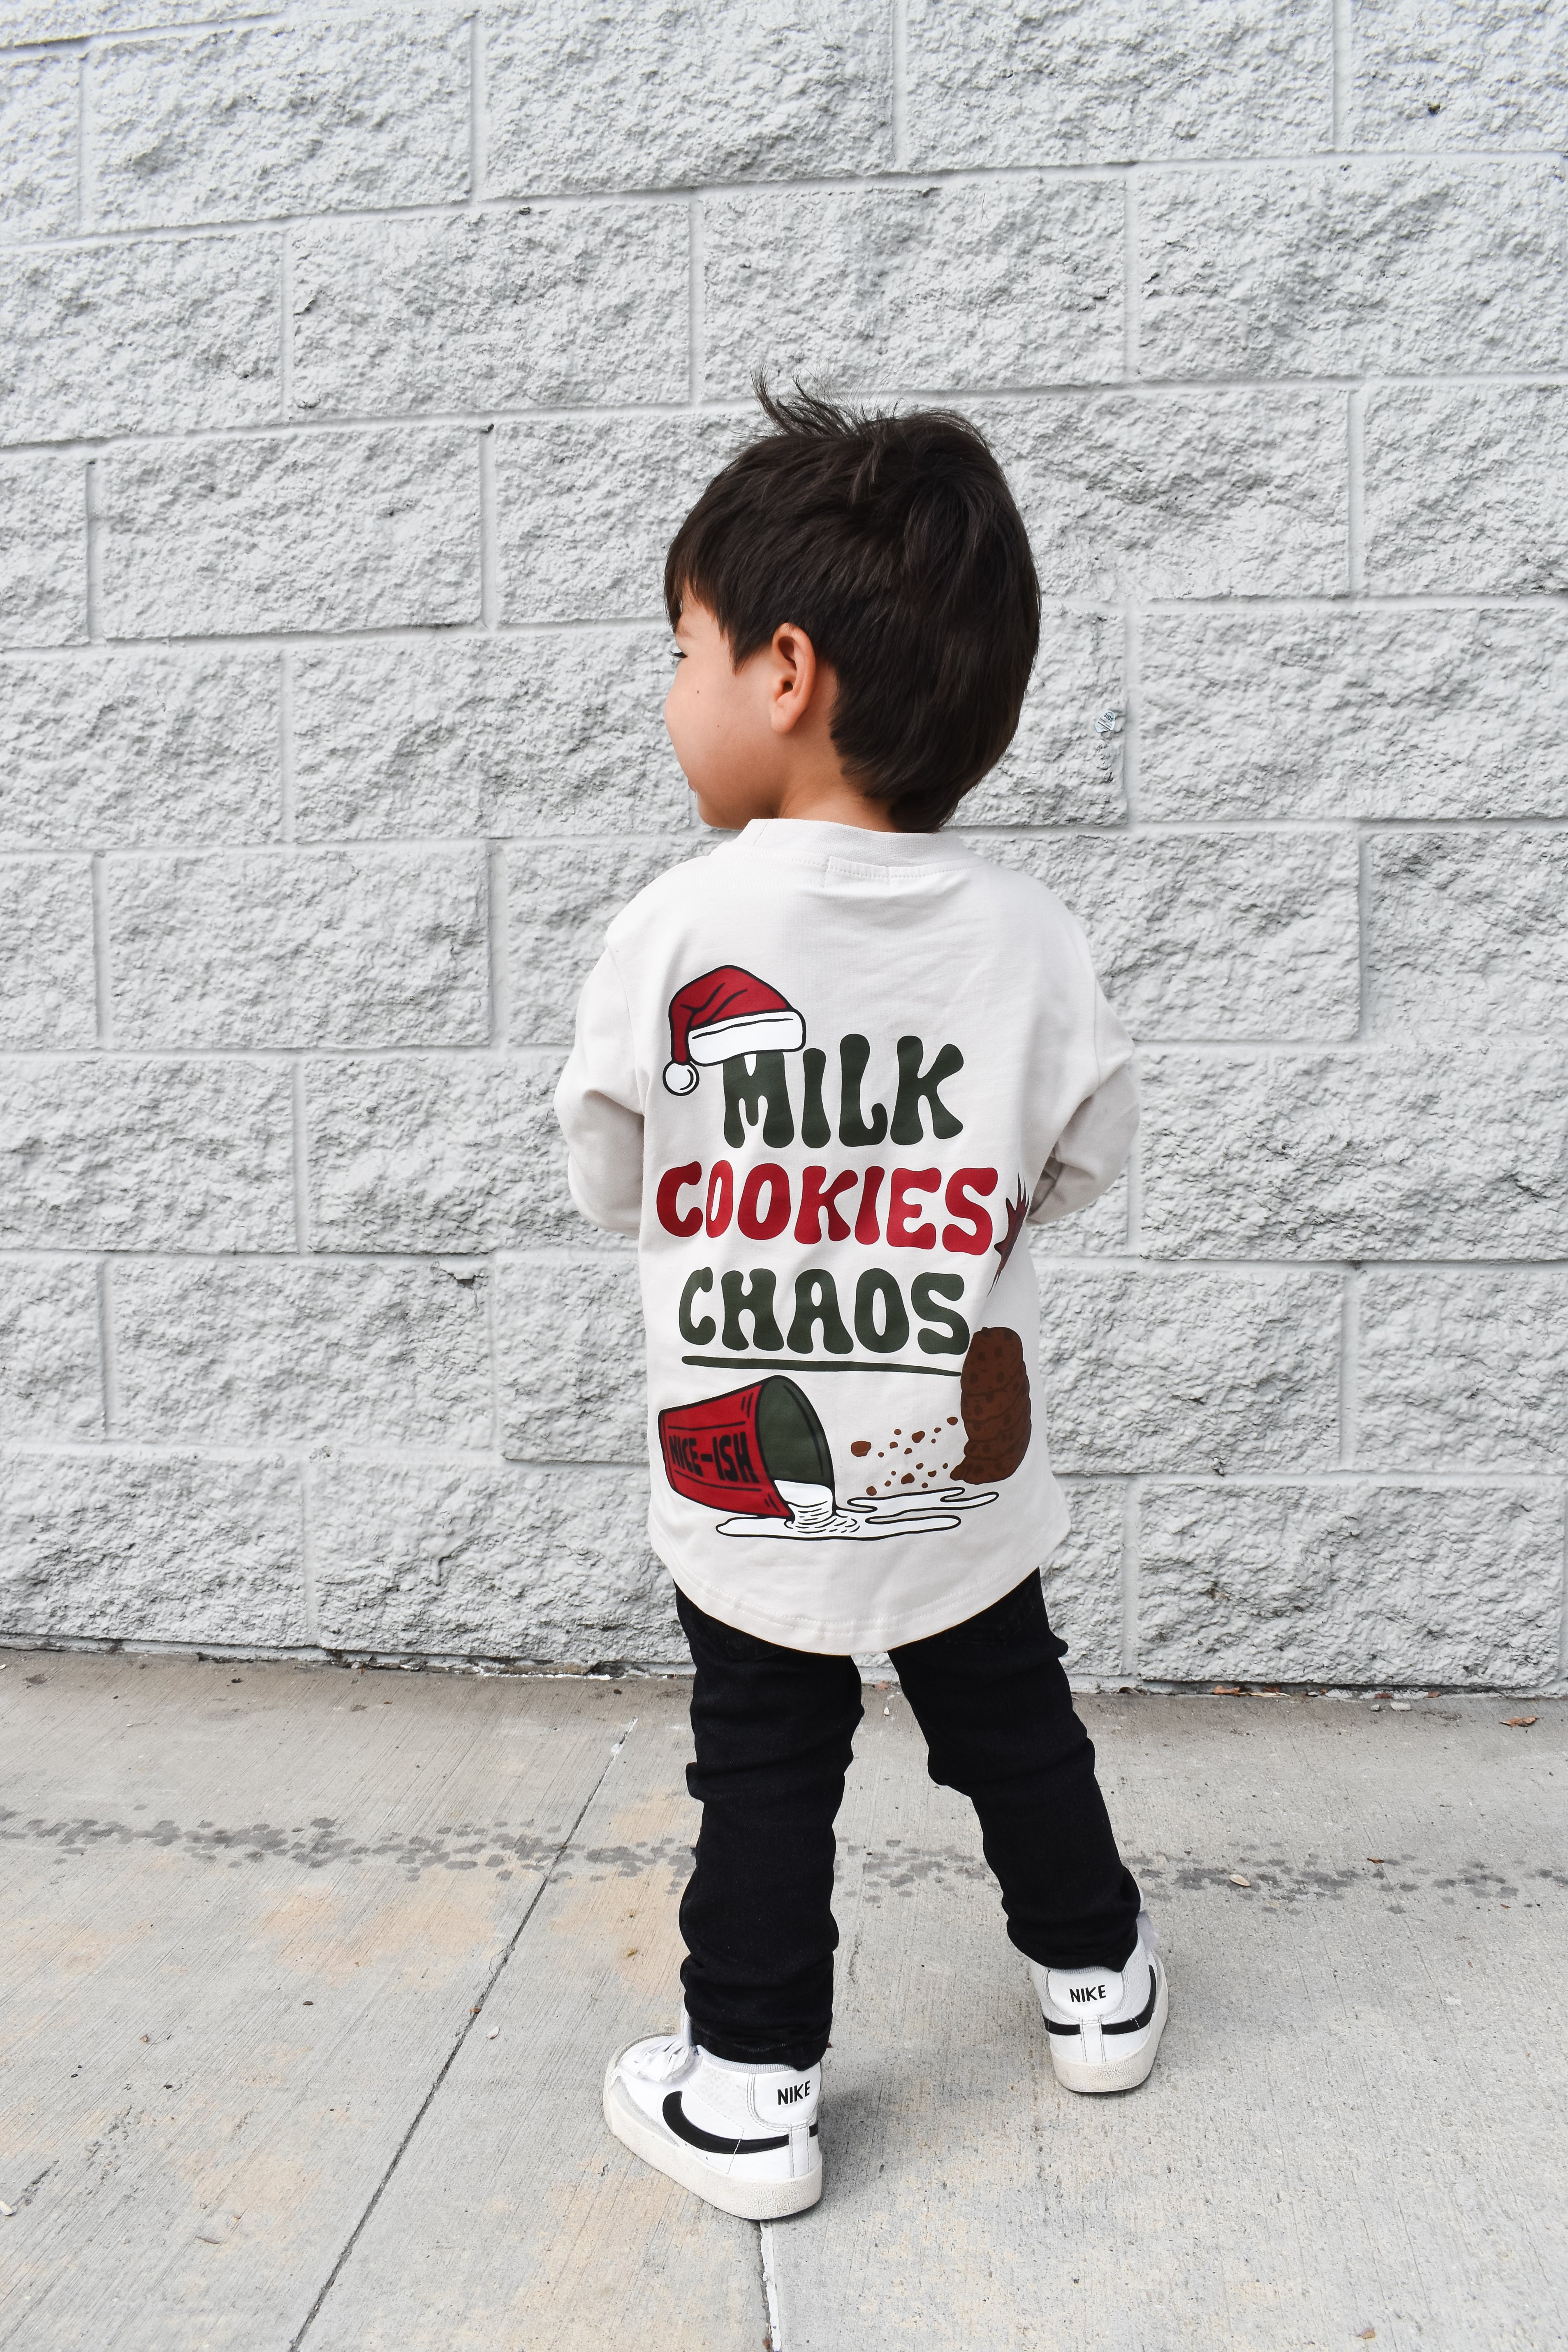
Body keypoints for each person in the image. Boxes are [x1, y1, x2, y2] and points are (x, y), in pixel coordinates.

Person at [554, 386, 1163, 2223]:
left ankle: (749, 2089)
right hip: (956, 1452)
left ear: (785, 673)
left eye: (685, 649)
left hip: (751, 1471)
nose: (670, 688)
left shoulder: (677, 929)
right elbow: (1088, 1145)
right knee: (1010, 1714)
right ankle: (1099, 1979)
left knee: (766, 1759)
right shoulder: (1028, 934)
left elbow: (608, 1163)